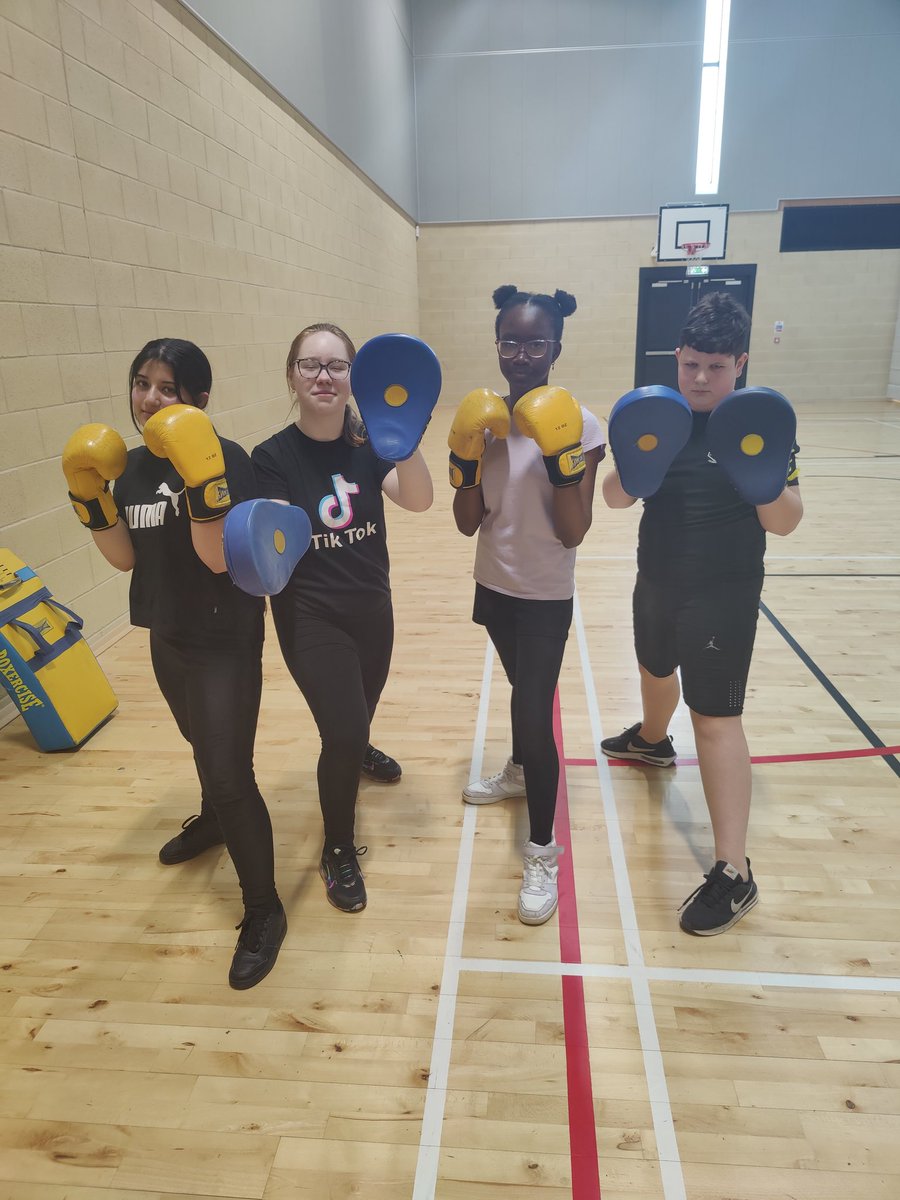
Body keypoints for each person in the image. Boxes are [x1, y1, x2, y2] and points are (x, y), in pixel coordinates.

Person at [60, 338, 286, 989]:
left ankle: (265, 910)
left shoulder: (228, 459)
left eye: (166, 386)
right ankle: (214, 818)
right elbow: (125, 558)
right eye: (142, 382)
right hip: (166, 635)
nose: (150, 397)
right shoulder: (126, 466)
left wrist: (201, 479)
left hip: (225, 639)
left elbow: (218, 559)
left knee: (228, 769)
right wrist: (89, 496)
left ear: (199, 398)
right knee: (201, 748)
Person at [601, 292, 803, 935]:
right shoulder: (656, 413)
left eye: (714, 368)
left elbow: (788, 520)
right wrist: (633, 472)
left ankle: (734, 872)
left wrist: (761, 481)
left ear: (740, 363)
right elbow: (612, 497)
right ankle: (652, 743)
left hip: (724, 589)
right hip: (657, 574)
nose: (699, 379)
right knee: (654, 668)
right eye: (690, 365)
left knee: (714, 720)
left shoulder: (761, 423)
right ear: (677, 358)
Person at [251, 323, 433, 914]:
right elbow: (276, 535)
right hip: (310, 614)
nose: (324, 376)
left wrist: (407, 439)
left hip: (371, 606)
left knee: (361, 711)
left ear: (354, 378)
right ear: (292, 376)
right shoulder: (272, 457)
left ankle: (357, 748)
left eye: (336, 366)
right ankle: (337, 849)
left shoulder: (371, 444)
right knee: (344, 729)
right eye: (311, 365)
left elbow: (419, 499)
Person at [450, 285, 606, 925]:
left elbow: (574, 530)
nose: (520, 354)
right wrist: (464, 460)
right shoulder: (483, 421)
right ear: (497, 345)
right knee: (523, 696)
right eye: (509, 341)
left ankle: (542, 851)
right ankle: (517, 770)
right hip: (494, 585)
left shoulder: (585, 424)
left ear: (556, 348)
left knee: (532, 712)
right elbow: (467, 523)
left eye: (534, 342)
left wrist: (559, 457)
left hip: (544, 596)